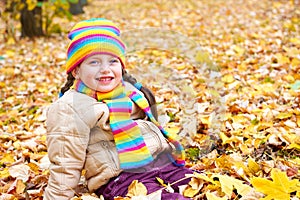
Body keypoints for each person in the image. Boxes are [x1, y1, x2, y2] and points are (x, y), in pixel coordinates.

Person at [44, 18, 194, 200]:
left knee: (202, 186)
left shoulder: (130, 93)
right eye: (94, 62)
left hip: (163, 165)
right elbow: (65, 163)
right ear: (76, 71)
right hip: (121, 178)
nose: (105, 69)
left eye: (112, 61)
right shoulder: (70, 108)